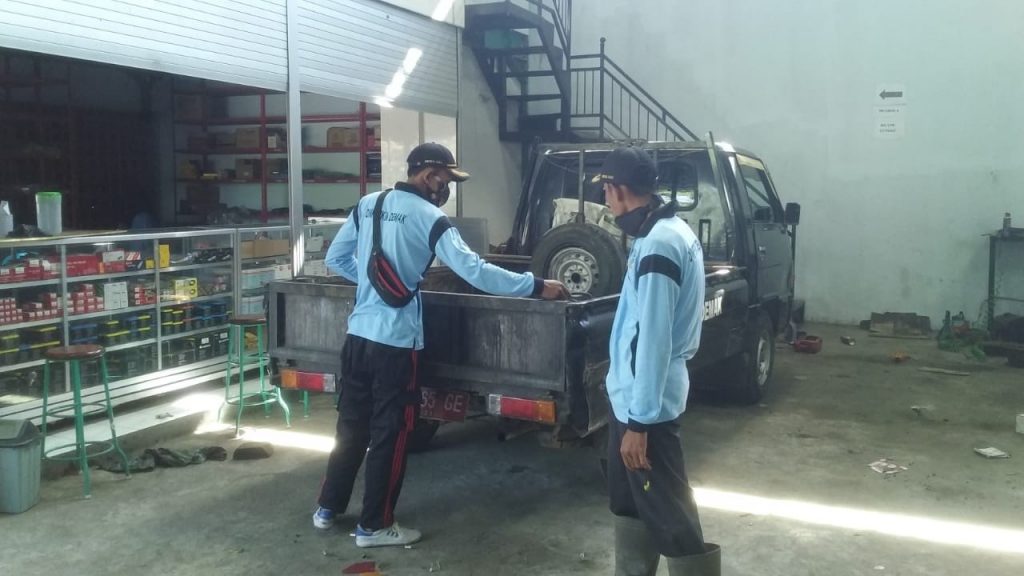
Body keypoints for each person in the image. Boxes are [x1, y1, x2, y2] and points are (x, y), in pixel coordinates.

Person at [314, 142, 569, 548]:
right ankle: (374, 526)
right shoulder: (431, 218)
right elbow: (476, 272)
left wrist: (371, 285)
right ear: (430, 175)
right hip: (396, 343)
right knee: (391, 432)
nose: (446, 188)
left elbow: (336, 258)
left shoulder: (368, 204)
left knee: (351, 425)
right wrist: (535, 285)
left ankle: (328, 508)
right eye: (446, 179)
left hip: (358, 335)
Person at [595, 147, 721, 575]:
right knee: (631, 503)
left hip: (646, 408)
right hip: (631, 399)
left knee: (671, 516)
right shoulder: (663, 232)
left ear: (618, 189)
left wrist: (640, 424)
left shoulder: (659, 246)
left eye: (606, 191)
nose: (606, 201)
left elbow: (653, 340)